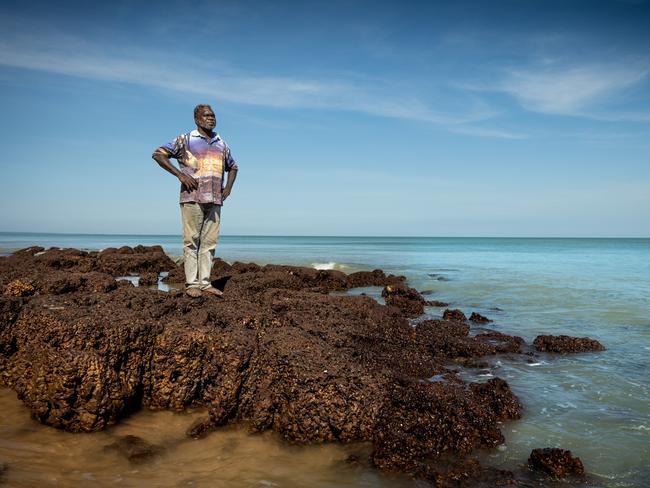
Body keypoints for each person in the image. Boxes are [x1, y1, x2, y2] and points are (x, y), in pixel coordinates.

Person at [152, 104, 238, 297]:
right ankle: (192, 284)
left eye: (213, 115)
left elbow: (233, 167)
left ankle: (205, 284)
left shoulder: (221, 143)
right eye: (207, 115)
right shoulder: (186, 139)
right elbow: (158, 154)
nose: (211, 118)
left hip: (215, 200)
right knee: (191, 241)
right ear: (197, 119)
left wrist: (228, 189)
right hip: (192, 198)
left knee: (209, 243)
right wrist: (180, 175)